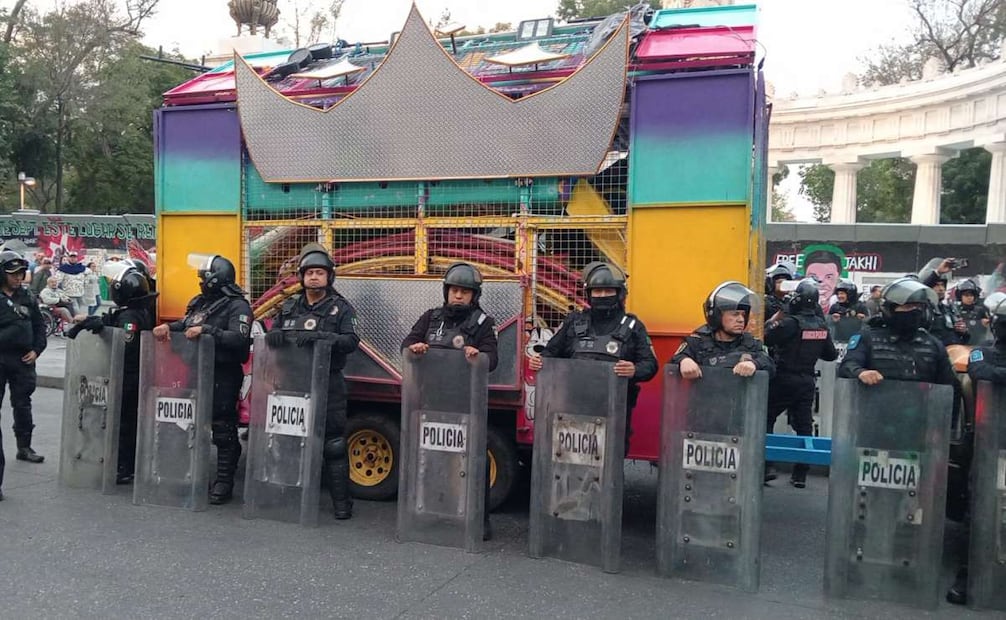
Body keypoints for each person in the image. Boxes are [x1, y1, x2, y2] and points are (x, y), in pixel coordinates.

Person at [402, 262, 497, 536]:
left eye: (465, 292)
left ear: (473, 296)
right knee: (433, 457)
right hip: (430, 400)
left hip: (466, 402)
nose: (458, 296)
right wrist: (414, 348)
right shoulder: (430, 317)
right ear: (447, 291)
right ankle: (433, 512)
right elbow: (406, 344)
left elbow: (493, 359)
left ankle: (479, 521)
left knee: (474, 460)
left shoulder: (483, 323)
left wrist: (478, 357)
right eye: (454, 291)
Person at [265, 244, 360, 519]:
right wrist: (274, 336)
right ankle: (284, 496)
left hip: (328, 384)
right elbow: (275, 332)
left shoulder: (340, 308)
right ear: (301, 277)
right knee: (287, 441)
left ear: (329, 277)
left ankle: (342, 504)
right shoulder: (288, 306)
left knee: (333, 445)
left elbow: (351, 341)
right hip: (293, 384)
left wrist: (322, 339)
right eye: (309, 273)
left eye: (320, 273)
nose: (314, 278)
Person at [152, 253, 252, 505]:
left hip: (223, 374)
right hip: (196, 371)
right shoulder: (201, 303)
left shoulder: (237, 305)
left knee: (222, 428)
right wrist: (169, 328)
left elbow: (238, 338)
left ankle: (223, 482)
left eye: (203, 276)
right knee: (189, 425)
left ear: (215, 278)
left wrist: (209, 331)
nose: (200, 280)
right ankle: (191, 476)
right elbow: (187, 324)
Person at [529, 262, 658, 455]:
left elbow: (650, 364)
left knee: (609, 464)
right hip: (573, 409)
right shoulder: (574, 322)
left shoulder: (633, 326)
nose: (603, 296)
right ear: (589, 294)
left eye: (608, 291)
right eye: (597, 291)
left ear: (620, 293)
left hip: (614, 412)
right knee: (569, 461)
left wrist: (634, 370)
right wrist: (539, 360)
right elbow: (550, 353)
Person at [67, 262, 156, 484]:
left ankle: (124, 467)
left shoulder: (130, 319)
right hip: (135, 376)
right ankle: (126, 464)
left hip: (127, 377)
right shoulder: (138, 311)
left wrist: (106, 329)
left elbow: (125, 344)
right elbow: (112, 321)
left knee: (124, 423)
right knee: (128, 422)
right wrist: (94, 322)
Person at [950, 292, 1006, 604]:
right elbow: (981, 373)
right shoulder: (981, 353)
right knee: (979, 512)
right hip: (987, 442)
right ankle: (968, 575)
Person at [763, 278, 837, 487]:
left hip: (784, 377)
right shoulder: (821, 326)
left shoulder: (790, 323)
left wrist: (779, 315)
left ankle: (766, 466)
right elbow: (830, 355)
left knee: (766, 418)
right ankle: (801, 473)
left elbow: (766, 336)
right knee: (804, 426)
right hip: (807, 380)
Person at [838, 276, 957, 385]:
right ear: (890, 310)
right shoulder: (867, 338)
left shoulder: (933, 345)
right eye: (908, 306)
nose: (914, 311)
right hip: (875, 406)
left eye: (918, 307)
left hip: (920, 406)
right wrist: (860, 372)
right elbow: (848, 365)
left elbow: (950, 385)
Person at [0, 250, 47, 500]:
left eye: (20, 273)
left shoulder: (26, 295)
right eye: (12, 274)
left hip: (22, 360)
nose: (18, 278)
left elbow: (39, 326)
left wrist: (36, 350)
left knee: (23, 403)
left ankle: (24, 446)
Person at [671, 280, 775, 380]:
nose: (741, 320)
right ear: (717, 315)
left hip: (740, 397)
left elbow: (769, 364)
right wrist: (684, 361)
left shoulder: (752, 344)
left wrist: (754, 364)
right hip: (706, 397)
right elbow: (673, 364)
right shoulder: (697, 342)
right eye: (735, 314)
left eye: (743, 315)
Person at [919, 258, 970, 346]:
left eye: (942, 285)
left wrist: (963, 332)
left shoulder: (949, 309)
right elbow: (922, 290)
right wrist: (938, 272)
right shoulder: (922, 309)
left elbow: (961, 340)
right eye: (936, 285)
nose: (941, 289)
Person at [55, 251, 87, 315]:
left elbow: (86, 278)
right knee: (76, 309)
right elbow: (57, 280)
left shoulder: (82, 268)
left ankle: (79, 319)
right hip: (69, 293)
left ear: (77, 258)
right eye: (71, 257)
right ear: (68, 258)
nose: (73, 258)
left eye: (74, 257)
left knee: (82, 307)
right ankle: (78, 320)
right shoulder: (63, 269)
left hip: (80, 292)